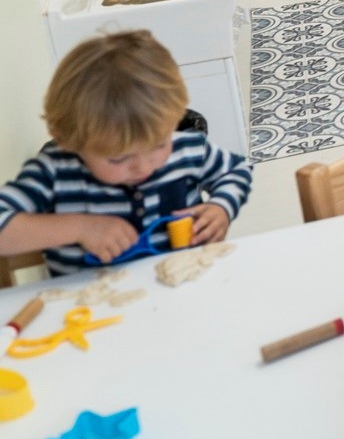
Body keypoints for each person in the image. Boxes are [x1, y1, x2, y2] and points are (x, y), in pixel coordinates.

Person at [0, 30, 251, 273]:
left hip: (185, 286)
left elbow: (236, 170)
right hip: (91, 308)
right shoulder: (55, 172)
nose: (143, 168)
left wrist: (221, 207)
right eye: (118, 158)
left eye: (158, 145)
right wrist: (79, 228)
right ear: (68, 140)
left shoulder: (185, 148)